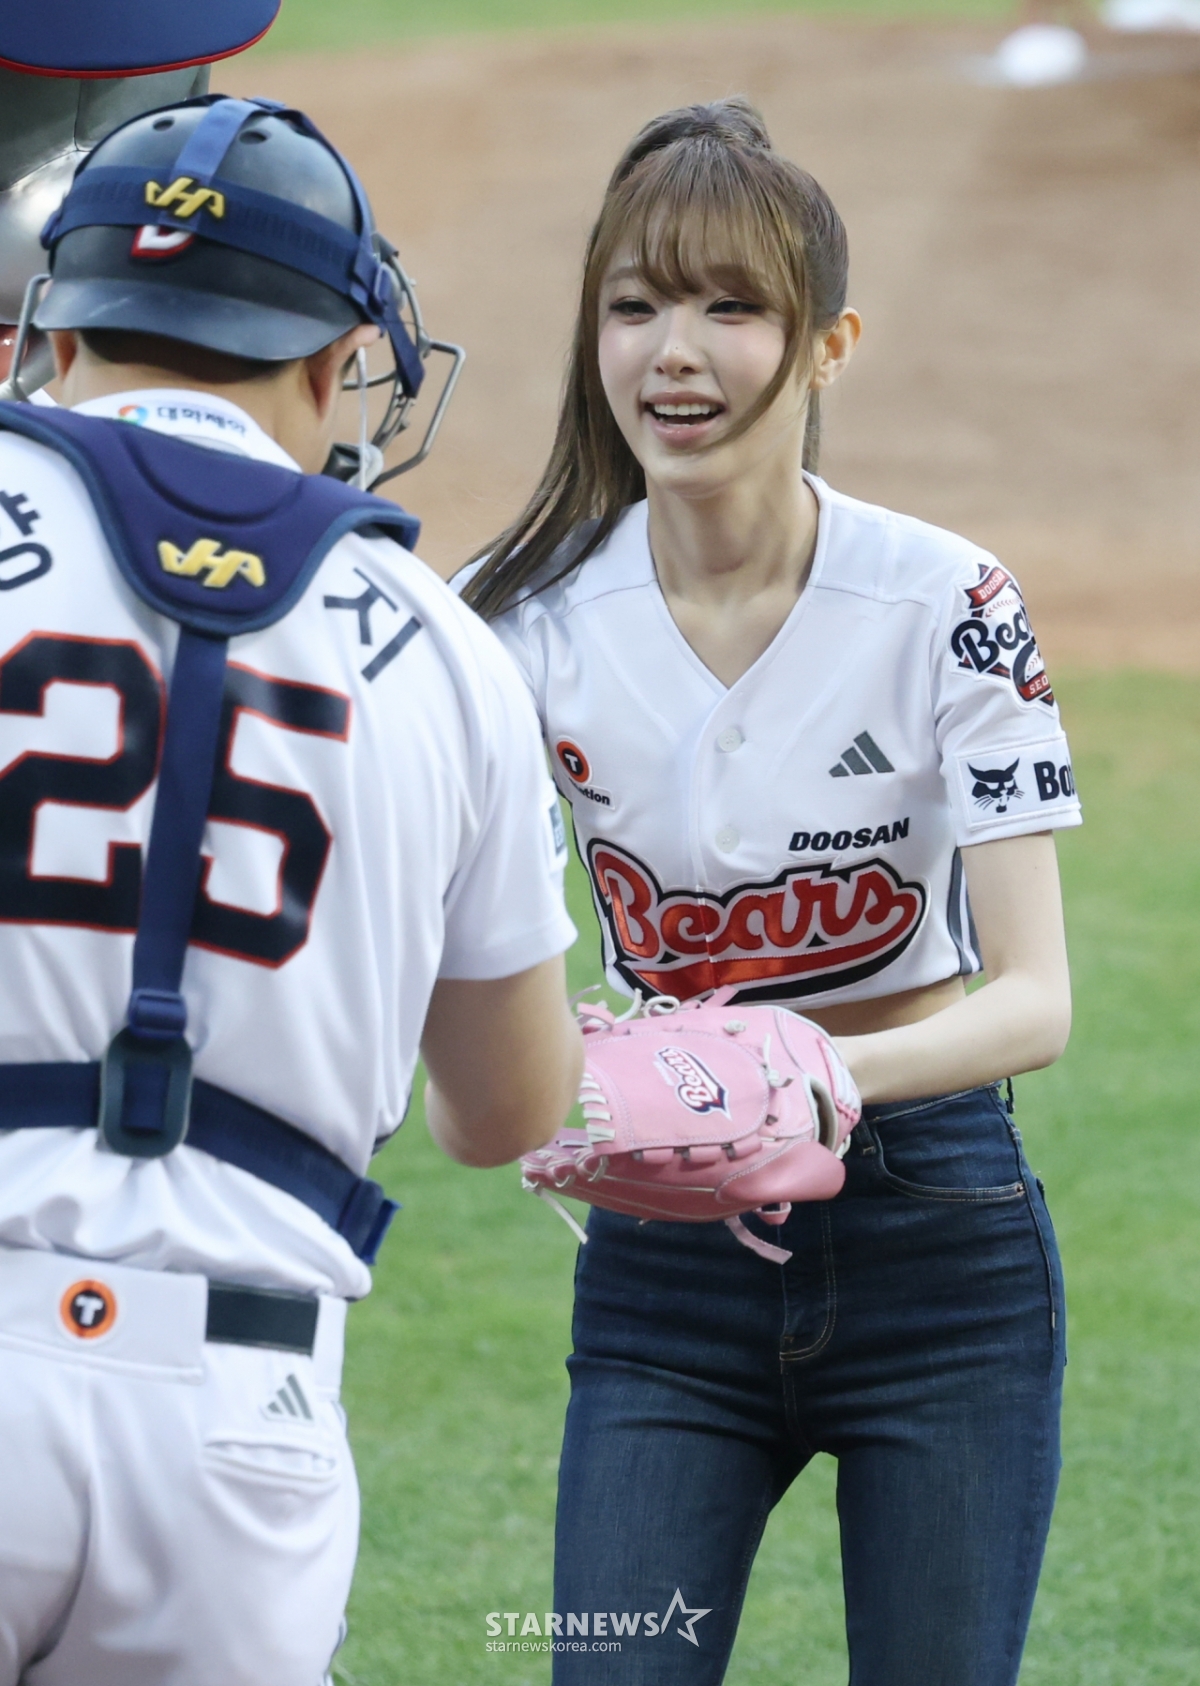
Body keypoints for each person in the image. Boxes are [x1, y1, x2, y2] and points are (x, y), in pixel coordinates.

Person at [463, 98, 1078, 1686]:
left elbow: (1036, 1001)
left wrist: (792, 1073)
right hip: (664, 1272)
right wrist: (550, 1073)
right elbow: (431, 949)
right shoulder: (509, 622)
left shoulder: (950, 598)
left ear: (828, 346)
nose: (675, 352)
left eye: (731, 306)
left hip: (938, 1243)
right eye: (635, 305)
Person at [0, 94, 582, 1685]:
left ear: (55, 330)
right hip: (239, 1435)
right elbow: (509, 1110)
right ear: (336, 366)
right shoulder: (450, 653)